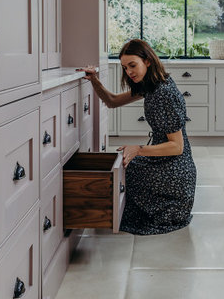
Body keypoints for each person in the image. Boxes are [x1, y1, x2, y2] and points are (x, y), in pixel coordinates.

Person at [79, 39, 196, 235]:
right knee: (123, 166)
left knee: (126, 169)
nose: (129, 72)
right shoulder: (151, 85)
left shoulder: (163, 93)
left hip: (175, 171)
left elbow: (177, 147)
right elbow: (112, 101)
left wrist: (138, 149)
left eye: (133, 65)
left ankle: (167, 207)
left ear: (147, 61)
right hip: (166, 162)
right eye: (125, 68)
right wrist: (94, 79)